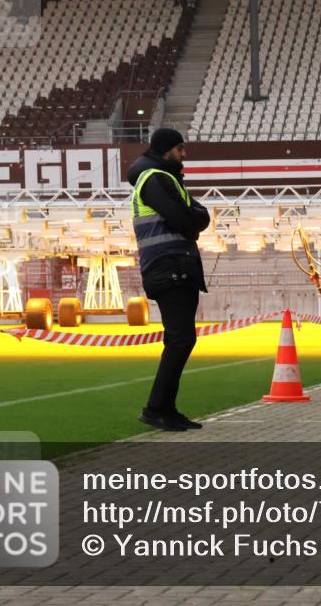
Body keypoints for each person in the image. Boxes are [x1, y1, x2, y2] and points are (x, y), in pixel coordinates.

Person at [128, 128, 211, 431]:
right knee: (180, 339)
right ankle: (156, 408)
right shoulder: (155, 180)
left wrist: (195, 217)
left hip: (173, 266)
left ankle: (165, 408)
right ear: (166, 152)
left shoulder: (164, 179)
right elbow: (188, 223)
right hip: (169, 266)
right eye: (180, 149)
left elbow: (199, 216)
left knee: (181, 339)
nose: (184, 154)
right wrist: (194, 219)